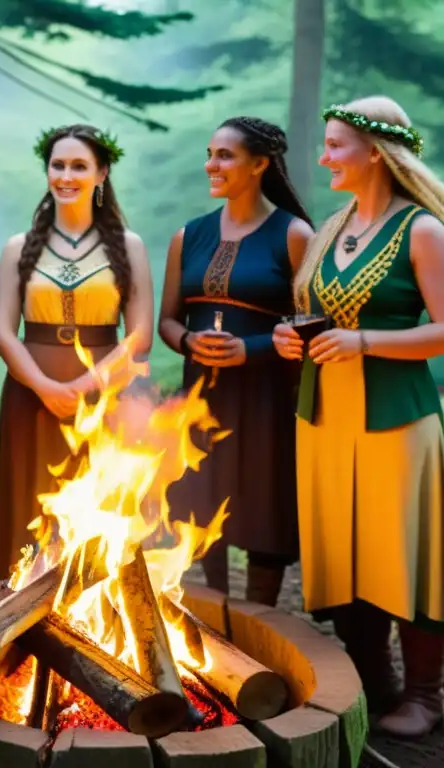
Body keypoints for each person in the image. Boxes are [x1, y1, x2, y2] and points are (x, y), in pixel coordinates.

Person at [273, 96, 444, 738]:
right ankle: (376, 684)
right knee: (342, 552)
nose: (323, 157)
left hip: (396, 421)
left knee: (405, 552)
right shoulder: (331, 227)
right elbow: (317, 313)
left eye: (335, 145)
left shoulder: (423, 230)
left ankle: (426, 694)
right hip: (323, 418)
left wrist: (366, 342)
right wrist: (293, 338)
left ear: (376, 151)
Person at [156, 117, 314, 607]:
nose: (211, 165)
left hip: (265, 398)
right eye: (210, 153)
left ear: (260, 164)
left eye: (224, 155)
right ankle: (209, 612)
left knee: (265, 506)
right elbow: (166, 320)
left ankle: (262, 621)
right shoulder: (188, 236)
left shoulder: (294, 234)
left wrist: (253, 348)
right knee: (199, 504)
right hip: (200, 397)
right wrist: (187, 342)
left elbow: (312, 327)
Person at [0, 124, 154, 581]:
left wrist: (84, 385)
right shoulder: (17, 248)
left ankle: (100, 613)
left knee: (103, 511)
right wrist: (44, 387)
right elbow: (3, 333)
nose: (66, 175)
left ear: (101, 173)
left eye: (79, 166)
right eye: (57, 165)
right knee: (29, 511)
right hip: (30, 396)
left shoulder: (128, 245)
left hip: (107, 397)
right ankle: (18, 622)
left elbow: (139, 335)